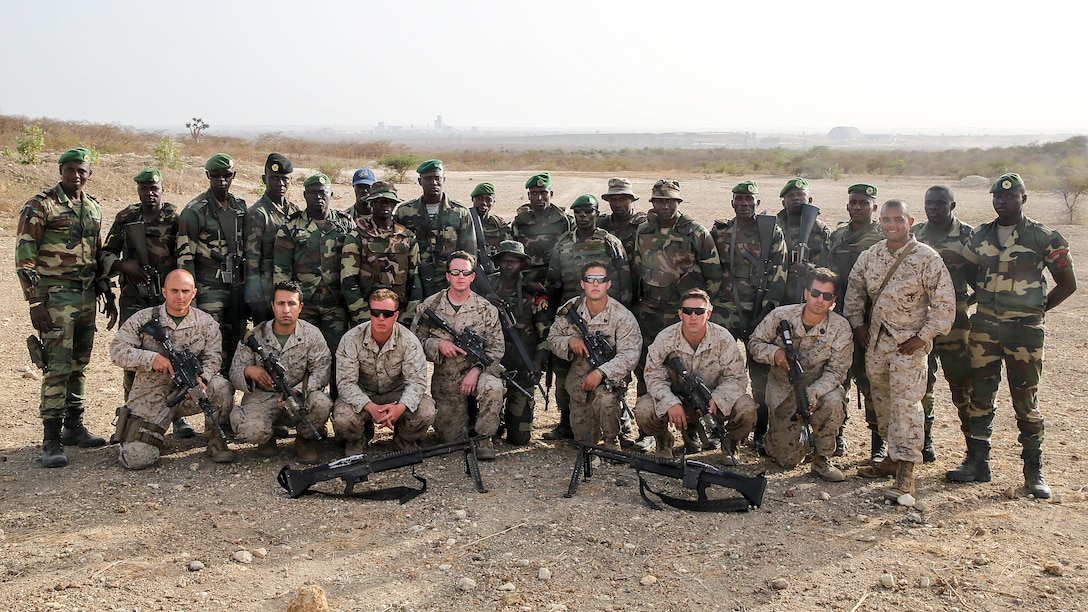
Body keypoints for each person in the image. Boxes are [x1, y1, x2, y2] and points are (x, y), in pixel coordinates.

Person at [948, 173, 1076, 499]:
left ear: (1023, 198)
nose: (1003, 201)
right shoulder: (979, 236)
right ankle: (978, 464)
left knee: (1026, 402)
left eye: (1010, 196)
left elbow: (1067, 283)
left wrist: (1036, 310)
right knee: (980, 396)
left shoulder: (1044, 237)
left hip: (1025, 333)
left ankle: (1034, 472)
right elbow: (971, 273)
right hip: (985, 329)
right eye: (998, 197)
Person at [844, 199, 955, 503]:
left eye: (898, 219)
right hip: (876, 343)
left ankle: (906, 471)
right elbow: (853, 291)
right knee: (882, 402)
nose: (891, 225)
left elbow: (944, 304)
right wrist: (857, 326)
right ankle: (891, 458)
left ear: (910, 221)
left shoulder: (926, 258)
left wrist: (924, 336)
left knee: (906, 406)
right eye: (886, 220)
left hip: (908, 345)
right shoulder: (871, 256)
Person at [17, 147, 116, 467]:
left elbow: (97, 254)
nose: (76, 175)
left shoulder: (93, 208)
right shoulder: (41, 204)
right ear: (61, 171)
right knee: (57, 367)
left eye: (81, 170)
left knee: (79, 365)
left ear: (90, 173)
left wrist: (108, 291)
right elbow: (25, 256)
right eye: (70, 169)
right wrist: (34, 301)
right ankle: (51, 439)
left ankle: (74, 427)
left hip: (87, 297)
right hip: (56, 298)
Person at [98, 169, 194, 438]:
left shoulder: (174, 218)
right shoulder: (126, 217)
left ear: (162, 189)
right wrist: (123, 265)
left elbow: (185, 254)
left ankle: (175, 417)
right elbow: (105, 251)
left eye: (154, 188)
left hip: (168, 297)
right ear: (138, 191)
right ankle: (132, 415)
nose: (149, 193)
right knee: (134, 356)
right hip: (134, 297)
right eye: (144, 189)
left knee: (174, 354)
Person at [109, 269, 235, 468]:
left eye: (185, 291)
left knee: (221, 386)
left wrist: (203, 378)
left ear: (194, 293)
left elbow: (213, 358)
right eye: (174, 291)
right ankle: (149, 435)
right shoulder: (142, 319)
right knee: (136, 460)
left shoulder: (206, 323)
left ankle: (215, 440)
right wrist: (151, 359)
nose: (180, 296)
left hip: (188, 392)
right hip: (152, 394)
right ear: (164, 292)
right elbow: (117, 351)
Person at [632, 179, 722, 451]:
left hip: (683, 316)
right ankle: (650, 431)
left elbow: (714, 275)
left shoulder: (695, 231)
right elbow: (637, 268)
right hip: (650, 312)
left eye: (670, 201)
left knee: (689, 372)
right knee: (647, 370)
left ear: (678, 203)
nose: (664, 205)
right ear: (652, 203)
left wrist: (698, 311)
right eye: (659, 201)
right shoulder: (643, 231)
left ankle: (692, 432)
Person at [748, 268, 853, 481]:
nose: (819, 300)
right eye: (815, 293)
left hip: (817, 390)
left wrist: (815, 391)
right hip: (783, 394)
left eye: (827, 296)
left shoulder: (840, 327)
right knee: (786, 461)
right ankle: (788, 440)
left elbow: (837, 371)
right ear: (806, 293)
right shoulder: (781, 316)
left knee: (835, 399)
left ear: (834, 300)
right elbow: (754, 343)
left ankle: (822, 459)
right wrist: (774, 353)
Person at [542, 195, 632, 442]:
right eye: (578, 212)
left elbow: (624, 279)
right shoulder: (563, 243)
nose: (583, 216)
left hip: (605, 316)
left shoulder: (609, 242)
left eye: (588, 211)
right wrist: (552, 318)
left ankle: (621, 427)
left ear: (596, 213)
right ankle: (566, 423)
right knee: (565, 371)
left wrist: (621, 315)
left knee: (610, 370)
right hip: (571, 315)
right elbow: (553, 281)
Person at [710, 180, 787, 456]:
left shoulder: (770, 232)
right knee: (721, 372)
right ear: (732, 202)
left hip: (759, 311)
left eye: (749, 199)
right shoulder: (720, 232)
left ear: (757, 202)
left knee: (762, 377)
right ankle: (722, 431)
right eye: (739, 199)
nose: (744, 203)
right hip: (726, 310)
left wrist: (767, 310)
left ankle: (760, 431)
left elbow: (780, 272)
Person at [634, 288, 755, 460]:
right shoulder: (665, 338)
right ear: (680, 313)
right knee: (643, 409)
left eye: (699, 311)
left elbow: (736, 378)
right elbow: (653, 376)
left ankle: (730, 442)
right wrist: (671, 403)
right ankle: (663, 440)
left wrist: (718, 399)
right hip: (678, 402)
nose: (693, 316)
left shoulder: (722, 338)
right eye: (688, 311)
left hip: (712, 402)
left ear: (709, 313)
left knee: (747, 408)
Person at [412, 251, 504, 460]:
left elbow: (496, 349)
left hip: (478, 372)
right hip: (446, 376)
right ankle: (463, 427)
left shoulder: (486, 309)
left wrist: (477, 369)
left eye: (465, 272)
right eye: (455, 272)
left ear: (472, 276)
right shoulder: (430, 306)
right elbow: (414, 344)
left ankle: (484, 437)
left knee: (494, 387)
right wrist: (438, 344)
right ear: (448, 276)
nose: (460, 276)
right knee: (451, 442)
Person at [228, 280, 332, 462]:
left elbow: (322, 371)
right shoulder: (254, 336)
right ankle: (266, 438)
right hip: (263, 397)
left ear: (300, 307)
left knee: (322, 403)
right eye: (281, 303)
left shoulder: (312, 335)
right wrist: (249, 371)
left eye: (291, 304)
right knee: (252, 431)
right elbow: (234, 373)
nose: (286, 309)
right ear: (273, 307)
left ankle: (304, 440)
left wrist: (298, 390)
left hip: (297, 397)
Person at [820, 183, 885, 460]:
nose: (858, 207)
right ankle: (837, 436)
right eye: (853, 202)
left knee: (873, 383)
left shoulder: (883, 237)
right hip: (839, 320)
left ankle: (878, 443)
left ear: (874, 207)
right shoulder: (837, 235)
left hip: (872, 321)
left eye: (864, 202)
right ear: (847, 206)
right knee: (838, 380)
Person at [548, 262, 641, 448]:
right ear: (583, 284)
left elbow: (629, 355)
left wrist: (601, 372)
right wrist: (570, 342)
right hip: (580, 384)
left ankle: (611, 441)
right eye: (590, 280)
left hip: (607, 382)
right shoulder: (571, 309)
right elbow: (552, 338)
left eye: (601, 280)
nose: (595, 284)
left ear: (608, 284)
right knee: (584, 443)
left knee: (606, 399)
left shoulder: (622, 316)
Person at [912, 185, 974, 464]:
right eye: (929, 203)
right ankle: (924, 442)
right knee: (922, 383)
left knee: (961, 383)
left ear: (953, 205)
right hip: (920, 319)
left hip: (955, 324)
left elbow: (982, 279)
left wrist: (963, 303)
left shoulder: (968, 236)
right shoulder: (917, 235)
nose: (933, 208)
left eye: (940, 203)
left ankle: (974, 448)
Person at [334, 289, 437, 455]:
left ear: (396, 316)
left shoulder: (409, 341)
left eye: (387, 314)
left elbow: (416, 383)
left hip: (396, 395)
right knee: (342, 417)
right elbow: (346, 383)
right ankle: (357, 440)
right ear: (370, 313)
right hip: (364, 394)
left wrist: (401, 407)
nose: (381, 318)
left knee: (426, 411)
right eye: (376, 313)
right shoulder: (351, 339)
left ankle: (404, 439)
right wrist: (370, 407)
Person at [176, 153, 247, 373]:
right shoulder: (195, 210)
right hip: (208, 289)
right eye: (216, 176)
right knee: (209, 347)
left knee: (234, 343)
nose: (222, 180)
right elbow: (184, 257)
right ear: (208, 175)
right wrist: (189, 300)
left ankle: (227, 396)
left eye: (226, 175)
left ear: (233, 175)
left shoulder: (240, 206)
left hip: (236, 288)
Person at [274, 173, 353, 358]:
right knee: (301, 354)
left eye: (322, 192)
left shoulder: (345, 225)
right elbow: (281, 269)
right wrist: (286, 303)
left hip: (336, 303)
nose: (318, 197)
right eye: (312, 193)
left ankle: (335, 388)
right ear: (304, 195)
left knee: (337, 356)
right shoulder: (291, 227)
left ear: (331, 194)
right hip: (304, 303)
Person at [487, 241, 549, 446]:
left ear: (522, 264)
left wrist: (538, 363)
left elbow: (545, 335)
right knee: (485, 431)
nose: (508, 266)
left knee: (520, 439)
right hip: (491, 367)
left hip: (523, 368)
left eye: (513, 262)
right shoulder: (486, 288)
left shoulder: (534, 292)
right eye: (504, 261)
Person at [392, 159, 476, 298]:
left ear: (444, 179)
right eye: (428, 179)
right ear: (420, 181)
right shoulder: (404, 212)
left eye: (437, 178)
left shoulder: (459, 212)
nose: (433, 182)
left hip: (449, 282)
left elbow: (469, 253)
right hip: (413, 282)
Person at [341, 183, 421, 325]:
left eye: (390, 202)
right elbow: (348, 279)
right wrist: (362, 315)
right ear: (371, 203)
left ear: (395, 204)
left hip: (399, 315)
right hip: (367, 315)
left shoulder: (408, 237)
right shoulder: (357, 236)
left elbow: (415, 279)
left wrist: (407, 316)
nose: (385, 205)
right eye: (379, 201)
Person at [245, 153, 299, 325]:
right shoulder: (258, 213)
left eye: (285, 179)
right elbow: (252, 258)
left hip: (289, 289)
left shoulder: (294, 210)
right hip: (266, 290)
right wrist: (255, 298)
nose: (280, 184)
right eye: (274, 178)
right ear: (264, 179)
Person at [511, 172, 574, 288]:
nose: (539, 198)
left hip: (561, 279)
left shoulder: (566, 221)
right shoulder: (519, 222)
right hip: (528, 280)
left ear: (551, 194)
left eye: (543, 193)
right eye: (534, 193)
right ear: (529, 196)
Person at [777, 177, 831, 305]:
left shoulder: (821, 230)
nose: (796, 198)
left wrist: (808, 270)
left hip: (810, 296)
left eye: (801, 194)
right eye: (790, 195)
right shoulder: (774, 227)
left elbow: (830, 266)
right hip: (778, 294)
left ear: (810, 200)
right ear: (783, 203)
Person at [597, 177, 647, 273]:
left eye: (622, 199)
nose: (617, 204)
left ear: (632, 200)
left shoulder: (643, 224)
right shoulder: (602, 224)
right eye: (613, 200)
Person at [471, 182, 512, 257]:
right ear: (472, 199)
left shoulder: (499, 224)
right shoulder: (464, 221)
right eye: (479, 198)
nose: (483, 203)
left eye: (488, 199)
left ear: (493, 203)